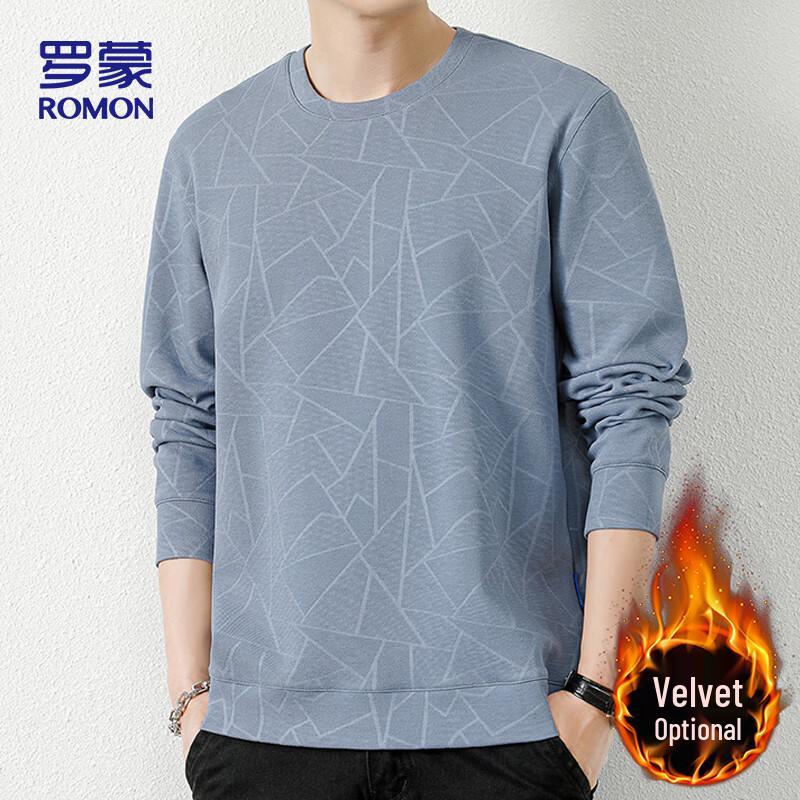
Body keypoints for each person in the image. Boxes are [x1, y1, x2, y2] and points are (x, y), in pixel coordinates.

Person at [138, 2, 692, 797]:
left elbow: (631, 400)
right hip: (263, 734)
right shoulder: (211, 149)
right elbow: (188, 421)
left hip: (508, 726)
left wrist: (598, 695)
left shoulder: (565, 118)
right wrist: (192, 697)